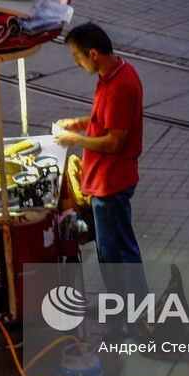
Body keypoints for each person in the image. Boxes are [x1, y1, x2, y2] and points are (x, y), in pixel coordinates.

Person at [54, 23, 147, 295]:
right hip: (104, 182)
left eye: (77, 55)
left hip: (111, 184)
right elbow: (106, 121)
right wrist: (81, 123)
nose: (76, 62)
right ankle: (130, 308)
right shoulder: (113, 75)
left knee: (116, 253)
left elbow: (114, 141)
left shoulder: (120, 85)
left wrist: (75, 140)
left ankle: (130, 311)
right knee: (115, 250)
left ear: (93, 53)